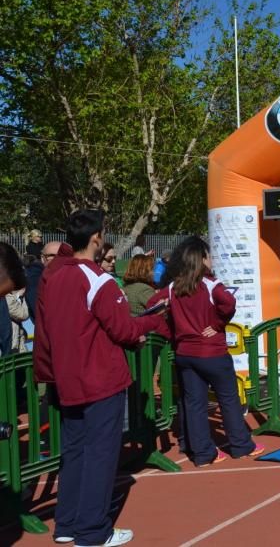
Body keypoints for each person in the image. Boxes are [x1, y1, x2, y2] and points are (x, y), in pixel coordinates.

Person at [32, 210, 167, 547]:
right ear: (96, 238)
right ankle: (93, 531)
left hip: (65, 379)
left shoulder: (54, 276)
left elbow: (47, 328)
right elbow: (123, 329)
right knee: (101, 455)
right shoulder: (98, 280)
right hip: (99, 379)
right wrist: (154, 321)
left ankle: (66, 525)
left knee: (74, 452)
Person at [152, 236, 262, 467]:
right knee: (229, 399)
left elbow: (152, 306)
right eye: (210, 257)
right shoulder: (211, 284)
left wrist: (171, 332)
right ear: (202, 259)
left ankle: (203, 454)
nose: (212, 261)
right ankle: (241, 445)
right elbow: (229, 303)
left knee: (194, 404)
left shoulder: (173, 287)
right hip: (212, 353)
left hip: (185, 354)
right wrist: (219, 324)